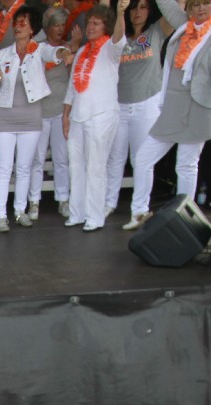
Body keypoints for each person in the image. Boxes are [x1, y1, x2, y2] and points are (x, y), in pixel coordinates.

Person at [122, 0, 211, 230]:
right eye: (195, 4)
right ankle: (139, 212)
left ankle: (183, 221)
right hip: (173, 104)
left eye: (206, 3)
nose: (200, 9)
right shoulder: (184, 23)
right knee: (143, 158)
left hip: (199, 107)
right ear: (189, 8)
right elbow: (165, 4)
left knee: (186, 165)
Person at [0, 5, 72, 231]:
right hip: (5, 118)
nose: (18, 26)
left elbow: (53, 52)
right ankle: (0, 215)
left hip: (31, 118)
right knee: (4, 168)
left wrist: (63, 53)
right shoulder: (3, 54)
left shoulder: (39, 50)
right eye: (16, 22)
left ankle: (20, 211)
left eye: (23, 22)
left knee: (24, 168)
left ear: (33, 28)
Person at [103, 0, 177, 219]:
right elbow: (111, 35)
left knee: (141, 159)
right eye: (134, 7)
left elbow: (177, 9)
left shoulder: (156, 31)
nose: (137, 12)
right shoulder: (120, 34)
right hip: (119, 104)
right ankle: (108, 203)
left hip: (147, 103)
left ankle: (140, 209)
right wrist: (119, 12)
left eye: (143, 7)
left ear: (150, 10)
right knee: (115, 158)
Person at [62, 1, 127, 232]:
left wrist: (120, 13)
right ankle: (77, 213)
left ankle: (95, 217)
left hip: (101, 115)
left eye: (96, 23)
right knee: (76, 166)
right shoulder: (81, 51)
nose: (90, 27)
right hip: (77, 116)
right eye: (89, 22)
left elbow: (119, 36)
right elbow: (72, 87)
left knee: (95, 167)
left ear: (105, 26)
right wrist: (66, 116)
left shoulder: (110, 48)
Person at [27, 6, 74, 220]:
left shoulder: (69, 49)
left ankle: (63, 199)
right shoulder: (37, 49)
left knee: (61, 158)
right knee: (36, 159)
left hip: (61, 110)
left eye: (63, 25)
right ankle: (34, 202)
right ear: (47, 27)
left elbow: (74, 79)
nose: (60, 29)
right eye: (56, 25)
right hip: (40, 111)